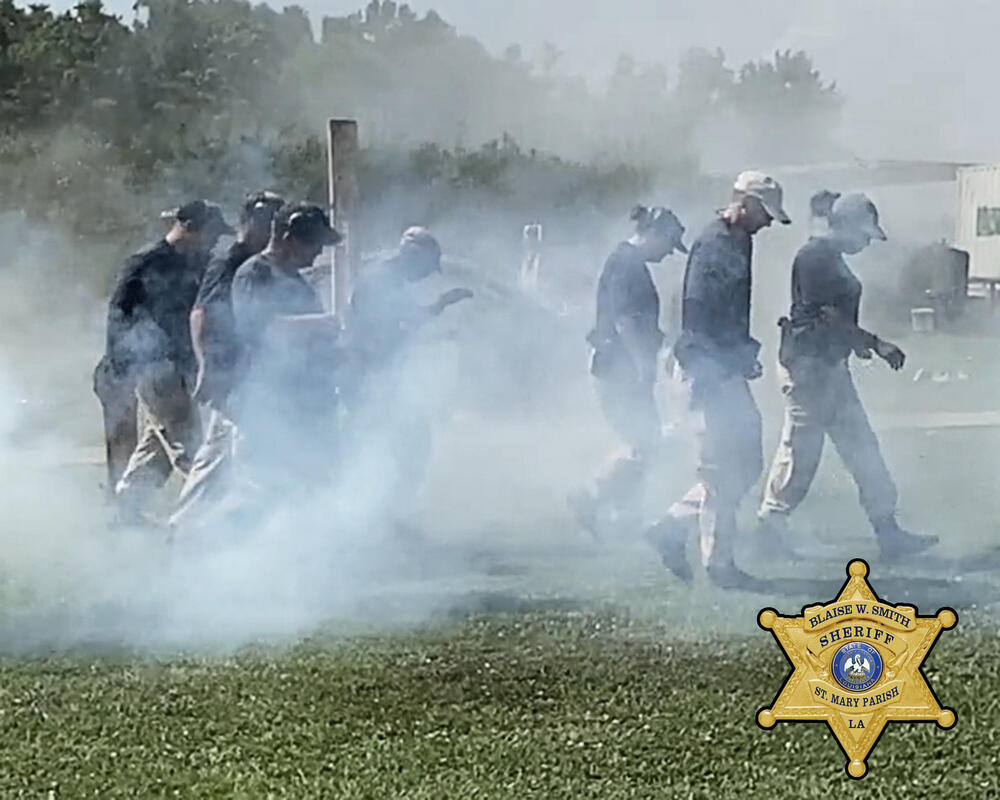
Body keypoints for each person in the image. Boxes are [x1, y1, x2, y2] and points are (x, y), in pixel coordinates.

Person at [756, 192, 938, 562]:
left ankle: (888, 532)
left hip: (829, 366)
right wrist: (875, 343)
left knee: (863, 449)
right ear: (848, 226)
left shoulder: (829, 257)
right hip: (808, 368)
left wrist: (855, 344)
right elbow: (828, 317)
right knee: (801, 452)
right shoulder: (815, 256)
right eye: (864, 234)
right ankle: (770, 525)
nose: (866, 243)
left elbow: (835, 319)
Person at [645, 171, 790, 589]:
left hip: (722, 364)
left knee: (743, 461)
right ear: (744, 204)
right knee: (723, 465)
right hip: (705, 367)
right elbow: (698, 312)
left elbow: (728, 311)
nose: (767, 224)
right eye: (764, 213)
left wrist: (742, 351)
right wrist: (717, 365)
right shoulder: (714, 244)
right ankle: (719, 564)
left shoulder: (738, 240)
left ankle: (673, 526)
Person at [108, 200, 234, 524]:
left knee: (158, 445)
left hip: (184, 367)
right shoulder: (145, 263)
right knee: (190, 445)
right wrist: (123, 368)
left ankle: (126, 507)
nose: (214, 241)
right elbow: (119, 315)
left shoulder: (200, 262)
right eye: (211, 233)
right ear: (190, 227)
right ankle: (200, 519)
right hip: (155, 369)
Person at [569, 205, 688, 538]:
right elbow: (627, 322)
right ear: (654, 234)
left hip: (619, 366)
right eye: (668, 245)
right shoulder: (627, 265)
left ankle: (621, 513)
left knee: (643, 442)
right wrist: (643, 366)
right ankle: (591, 496)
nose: (667, 254)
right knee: (644, 442)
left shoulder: (627, 262)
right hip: (619, 368)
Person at [169, 190, 286, 530]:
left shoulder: (260, 264)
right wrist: (207, 365)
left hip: (244, 373)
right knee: (237, 454)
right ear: (251, 223)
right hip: (230, 373)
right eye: (268, 223)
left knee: (216, 454)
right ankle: (198, 528)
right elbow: (201, 314)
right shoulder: (230, 261)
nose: (272, 232)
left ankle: (185, 525)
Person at [344, 227, 473, 531]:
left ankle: (384, 516)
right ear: (413, 256)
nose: (428, 274)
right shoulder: (380, 280)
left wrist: (441, 305)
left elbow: (404, 321)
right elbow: (379, 330)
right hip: (365, 375)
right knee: (393, 446)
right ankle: (371, 518)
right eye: (428, 266)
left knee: (402, 445)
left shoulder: (390, 280)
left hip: (375, 376)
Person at [228, 202, 343, 503]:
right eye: (314, 243)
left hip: (303, 403)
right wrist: (320, 324)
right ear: (289, 237)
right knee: (260, 494)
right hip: (266, 405)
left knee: (306, 492)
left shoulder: (297, 282)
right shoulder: (254, 274)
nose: (318, 252)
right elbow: (259, 329)